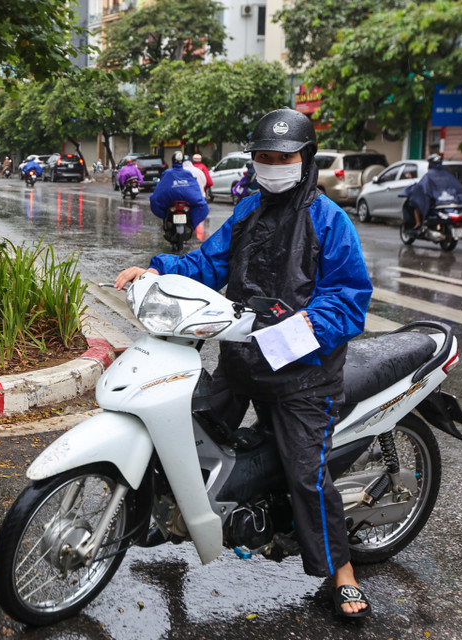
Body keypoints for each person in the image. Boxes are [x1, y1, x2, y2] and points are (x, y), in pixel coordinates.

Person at [115, 108, 373, 620]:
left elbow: (348, 299)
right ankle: (180, 518)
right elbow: (207, 264)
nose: (273, 165)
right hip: (242, 360)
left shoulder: (330, 220)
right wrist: (156, 269)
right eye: (264, 158)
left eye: (283, 158)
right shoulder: (248, 212)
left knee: (307, 476)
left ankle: (342, 573)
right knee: (189, 433)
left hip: (304, 375)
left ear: (306, 160)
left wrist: (289, 334)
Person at [401, 153, 462, 230]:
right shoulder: (448, 175)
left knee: (416, 204)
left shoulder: (429, 176)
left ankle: (418, 224)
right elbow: (458, 188)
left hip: (436, 202)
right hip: (451, 202)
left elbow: (421, 188)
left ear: (430, 164)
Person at [149, 151, 209, 228]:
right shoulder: (188, 173)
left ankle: (166, 220)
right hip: (189, 199)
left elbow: (160, 189)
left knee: (153, 199)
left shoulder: (167, 173)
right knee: (203, 206)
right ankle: (191, 225)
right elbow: (196, 187)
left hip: (171, 200)